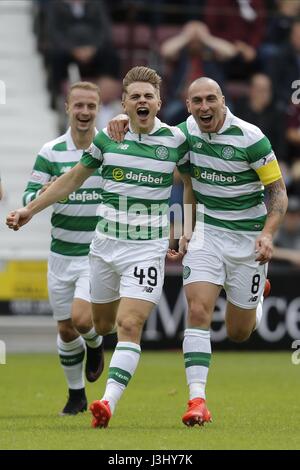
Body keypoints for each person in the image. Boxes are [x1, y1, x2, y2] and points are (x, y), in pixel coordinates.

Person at [6, 66, 190, 428]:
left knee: (129, 323)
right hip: (104, 246)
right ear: (123, 103)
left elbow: (191, 182)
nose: (141, 101)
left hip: (146, 248)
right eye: (134, 96)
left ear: (159, 102)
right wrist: (29, 209)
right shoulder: (108, 139)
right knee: (98, 324)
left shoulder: (175, 141)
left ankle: (105, 403)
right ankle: (95, 349)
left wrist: (184, 229)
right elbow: (73, 179)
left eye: (148, 96)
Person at [106, 77, 288, 427]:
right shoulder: (185, 133)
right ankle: (197, 400)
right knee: (199, 309)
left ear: (223, 100)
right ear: (187, 105)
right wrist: (123, 120)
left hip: (248, 240)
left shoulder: (251, 138)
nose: (204, 107)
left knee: (239, 331)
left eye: (210, 100)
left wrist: (267, 235)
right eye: (196, 101)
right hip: (207, 234)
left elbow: (277, 194)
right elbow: (151, 131)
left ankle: (257, 298)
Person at [21, 81, 105, 416]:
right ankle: (76, 395)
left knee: (82, 320)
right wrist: (42, 197)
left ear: (98, 109)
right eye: (79, 106)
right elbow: (29, 196)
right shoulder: (51, 151)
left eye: (91, 106)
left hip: (94, 253)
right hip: (60, 254)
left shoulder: (109, 147)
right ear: (68, 107)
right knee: (66, 328)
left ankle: (96, 345)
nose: (84, 112)